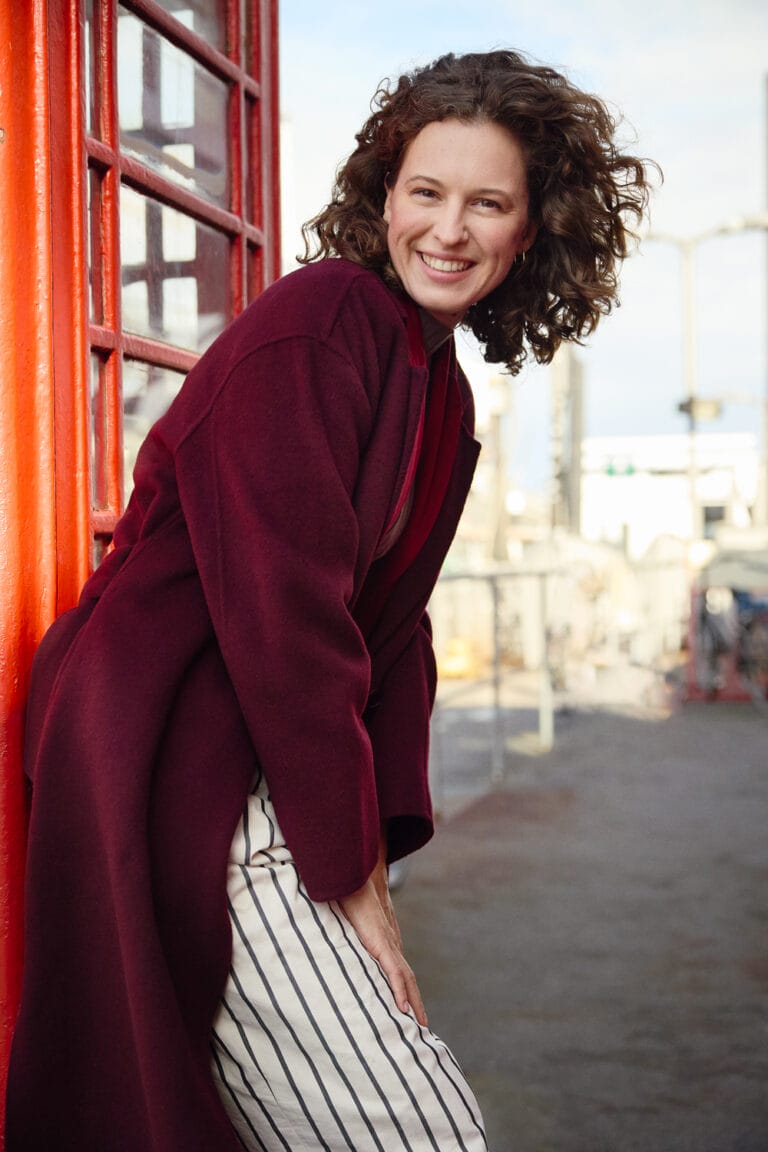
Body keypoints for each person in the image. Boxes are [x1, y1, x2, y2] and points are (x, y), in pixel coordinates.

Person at [6, 48, 654, 1152]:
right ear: (383, 199)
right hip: (174, 745)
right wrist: (349, 874)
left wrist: (373, 869)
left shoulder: (438, 386)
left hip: (259, 753)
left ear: (531, 229)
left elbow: (393, 636)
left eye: (487, 203)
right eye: (426, 192)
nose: (448, 230)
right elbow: (289, 618)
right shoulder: (323, 319)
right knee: (419, 1130)